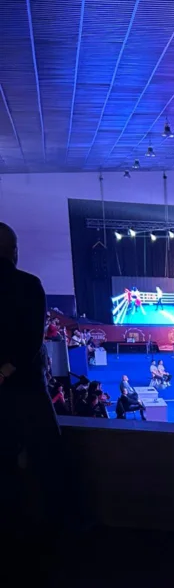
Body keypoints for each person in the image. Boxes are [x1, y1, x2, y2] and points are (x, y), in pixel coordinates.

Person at [0, 222, 61, 534]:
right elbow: (33, 340)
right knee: (49, 457)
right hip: (27, 389)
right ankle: (57, 527)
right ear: (14, 252)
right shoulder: (28, 284)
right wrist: (6, 370)